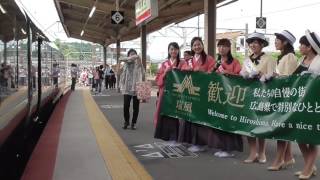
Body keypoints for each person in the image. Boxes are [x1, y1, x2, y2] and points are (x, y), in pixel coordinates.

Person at [240, 32, 276, 163]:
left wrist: (261, 75)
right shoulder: (246, 60)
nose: (253, 45)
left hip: (263, 95)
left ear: (262, 44)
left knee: (261, 123)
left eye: (256, 42)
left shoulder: (270, 59)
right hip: (249, 95)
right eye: (251, 43)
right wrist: (244, 75)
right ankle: (252, 152)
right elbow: (243, 74)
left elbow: (272, 77)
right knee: (249, 123)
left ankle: (262, 153)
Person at [179, 37, 216, 152]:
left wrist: (202, 72)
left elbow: (213, 72)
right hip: (191, 92)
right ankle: (191, 140)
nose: (197, 47)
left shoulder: (209, 59)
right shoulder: (189, 60)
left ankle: (201, 143)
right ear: (192, 47)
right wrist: (187, 69)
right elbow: (182, 70)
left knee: (200, 118)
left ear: (202, 45)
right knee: (190, 117)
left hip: (203, 92)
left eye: (199, 44)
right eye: (194, 45)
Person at [267, 30, 297, 171]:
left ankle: (279, 160)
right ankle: (288, 157)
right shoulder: (283, 56)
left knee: (281, 129)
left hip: (285, 97)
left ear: (285, 42)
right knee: (283, 128)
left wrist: (274, 76)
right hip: (280, 96)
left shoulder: (290, 56)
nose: (275, 42)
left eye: (277, 40)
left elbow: (289, 78)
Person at [293, 30, 320, 179]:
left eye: (302, 45)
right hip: (300, 102)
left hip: (314, 103)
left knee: (312, 137)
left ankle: (308, 169)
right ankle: (310, 166)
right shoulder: (301, 60)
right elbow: (293, 78)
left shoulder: (319, 60)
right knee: (300, 136)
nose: (299, 47)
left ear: (309, 47)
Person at [212, 38, 243, 157]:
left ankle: (229, 149)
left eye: (224, 46)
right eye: (219, 46)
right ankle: (222, 147)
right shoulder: (217, 62)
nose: (221, 48)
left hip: (231, 97)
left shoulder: (234, 62)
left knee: (229, 122)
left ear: (229, 48)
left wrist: (229, 73)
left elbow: (240, 77)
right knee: (220, 122)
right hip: (219, 96)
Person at [154, 42, 182, 144]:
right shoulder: (164, 64)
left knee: (174, 115)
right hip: (165, 93)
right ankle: (167, 137)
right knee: (165, 114)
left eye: (175, 49)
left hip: (177, 93)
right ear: (168, 51)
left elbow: (187, 75)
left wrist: (178, 71)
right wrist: (165, 72)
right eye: (171, 49)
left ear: (178, 50)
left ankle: (175, 138)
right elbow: (158, 80)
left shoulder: (182, 63)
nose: (173, 51)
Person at [119, 49, 145, 130]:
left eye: (134, 54)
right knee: (126, 106)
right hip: (127, 88)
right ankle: (126, 121)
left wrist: (136, 57)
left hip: (136, 88)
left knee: (136, 107)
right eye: (131, 54)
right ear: (128, 55)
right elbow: (119, 71)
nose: (133, 55)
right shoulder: (125, 64)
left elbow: (143, 72)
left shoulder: (138, 63)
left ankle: (133, 123)